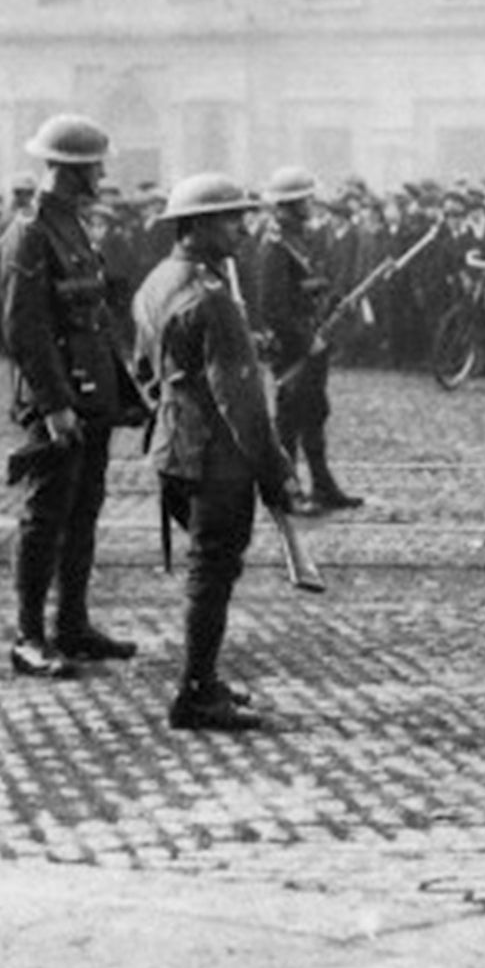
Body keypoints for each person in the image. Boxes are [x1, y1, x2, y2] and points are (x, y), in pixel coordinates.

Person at [133, 173, 306, 734]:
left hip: (173, 447)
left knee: (207, 566)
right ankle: (195, 691)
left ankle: (203, 680)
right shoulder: (212, 299)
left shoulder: (157, 282)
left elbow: (145, 370)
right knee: (213, 572)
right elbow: (244, 405)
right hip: (218, 457)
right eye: (231, 217)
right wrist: (275, 471)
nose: (242, 225)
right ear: (199, 225)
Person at [2, 113, 142, 678]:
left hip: (92, 394)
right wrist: (55, 403)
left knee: (84, 510)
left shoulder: (75, 227)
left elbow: (96, 315)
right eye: (93, 167)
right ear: (68, 170)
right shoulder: (31, 230)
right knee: (45, 515)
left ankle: (73, 625)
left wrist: (121, 387)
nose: (102, 175)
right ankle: (29, 636)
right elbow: (24, 328)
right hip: (58, 397)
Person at [255, 167, 363, 515]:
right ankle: (287, 490)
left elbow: (310, 285)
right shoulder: (275, 246)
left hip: (313, 338)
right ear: (290, 204)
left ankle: (323, 485)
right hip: (293, 348)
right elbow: (272, 308)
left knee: (315, 412)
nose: (311, 204)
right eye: (306, 199)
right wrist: (304, 341)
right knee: (288, 420)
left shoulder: (300, 238)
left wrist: (333, 301)